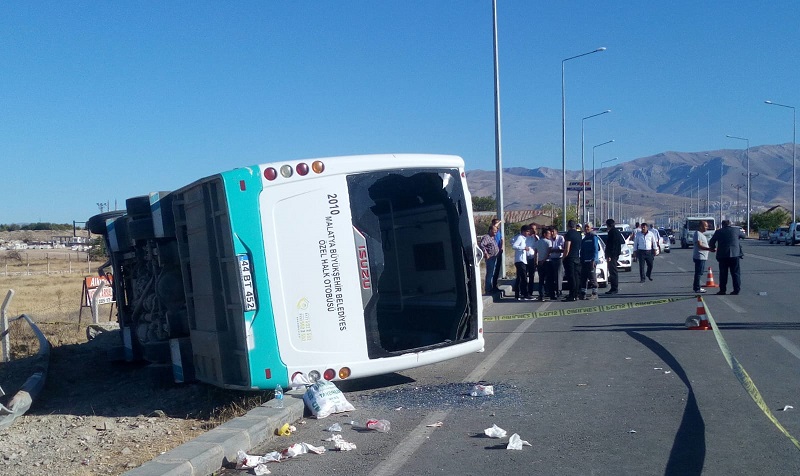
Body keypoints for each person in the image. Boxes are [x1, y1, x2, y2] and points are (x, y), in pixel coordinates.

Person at [708, 220, 743, 295]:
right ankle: (736, 290)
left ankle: (722, 290)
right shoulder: (736, 230)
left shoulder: (719, 232)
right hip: (735, 254)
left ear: (722, 225)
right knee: (735, 273)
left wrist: (713, 247)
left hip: (723, 255)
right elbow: (744, 236)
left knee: (723, 274)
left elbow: (712, 241)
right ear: (730, 224)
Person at [512, 225, 534, 301]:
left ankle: (517, 294)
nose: (528, 233)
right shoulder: (520, 238)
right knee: (524, 278)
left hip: (523, 260)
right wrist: (523, 248)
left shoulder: (523, 239)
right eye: (527, 231)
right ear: (523, 231)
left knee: (519, 278)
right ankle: (525, 294)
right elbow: (514, 246)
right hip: (520, 260)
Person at [562, 220, 582, 302]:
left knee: (571, 277)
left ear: (568, 226)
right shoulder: (578, 234)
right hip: (577, 257)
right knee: (576, 276)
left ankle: (572, 295)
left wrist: (563, 258)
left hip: (570, 258)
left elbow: (567, 248)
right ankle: (576, 293)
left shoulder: (569, 234)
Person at [579, 223, 600, 300]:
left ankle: (594, 293)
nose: (586, 228)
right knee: (583, 278)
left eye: (588, 227)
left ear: (591, 228)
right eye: (585, 227)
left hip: (591, 261)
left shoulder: (594, 237)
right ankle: (583, 293)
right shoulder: (584, 239)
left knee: (592, 278)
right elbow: (582, 250)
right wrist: (581, 259)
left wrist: (594, 259)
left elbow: (595, 249)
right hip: (584, 261)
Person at [479, 223, 500, 295]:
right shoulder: (486, 237)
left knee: (493, 273)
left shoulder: (492, 238)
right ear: (490, 230)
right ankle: (488, 289)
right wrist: (485, 253)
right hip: (490, 258)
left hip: (494, 257)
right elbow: (482, 245)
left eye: (496, 231)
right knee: (490, 273)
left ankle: (492, 287)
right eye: (494, 231)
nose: (495, 233)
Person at [604, 219, 623, 295]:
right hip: (614, 255)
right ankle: (613, 287)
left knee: (613, 272)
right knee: (612, 272)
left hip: (612, 256)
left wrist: (610, 255)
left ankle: (614, 288)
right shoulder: (616, 232)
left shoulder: (613, 233)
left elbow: (612, 246)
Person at [692, 220, 712, 294]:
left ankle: (696, 287)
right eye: (705, 226)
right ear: (701, 226)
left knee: (700, 272)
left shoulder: (701, 234)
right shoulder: (698, 234)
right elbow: (699, 245)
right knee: (698, 273)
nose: (707, 227)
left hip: (703, 256)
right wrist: (709, 249)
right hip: (699, 256)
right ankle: (697, 287)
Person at [534, 227, 553, 300]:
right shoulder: (548, 242)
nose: (550, 235)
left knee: (541, 279)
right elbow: (549, 252)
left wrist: (536, 262)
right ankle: (549, 294)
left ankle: (541, 295)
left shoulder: (537, 242)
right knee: (549, 279)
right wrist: (543, 260)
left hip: (540, 262)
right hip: (547, 262)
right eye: (548, 233)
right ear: (544, 234)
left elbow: (536, 253)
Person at [549, 227, 565, 298]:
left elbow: (563, 249)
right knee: (551, 276)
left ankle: (559, 291)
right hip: (551, 259)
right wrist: (554, 250)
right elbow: (548, 249)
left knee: (559, 275)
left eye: (553, 231)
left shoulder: (561, 238)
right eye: (551, 232)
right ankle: (552, 291)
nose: (552, 233)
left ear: (556, 232)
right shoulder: (549, 239)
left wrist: (554, 250)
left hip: (559, 259)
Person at [490, 218, 503, 292]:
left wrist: (501, 248)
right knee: (493, 270)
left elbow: (501, 239)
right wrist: (499, 222)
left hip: (499, 252)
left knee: (497, 269)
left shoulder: (498, 232)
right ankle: (491, 286)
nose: (497, 225)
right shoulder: (493, 231)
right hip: (493, 253)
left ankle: (495, 285)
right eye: (496, 223)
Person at [526, 224, 539, 298]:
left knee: (531, 276)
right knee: (524, 276)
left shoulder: (536, 238)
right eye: (532, 228)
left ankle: (530, 292)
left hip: (532, 258)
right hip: (525, 258)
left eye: (535, 229)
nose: (533, 230)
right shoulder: (525, 237)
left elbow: (537, 248)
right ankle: (524, 291)